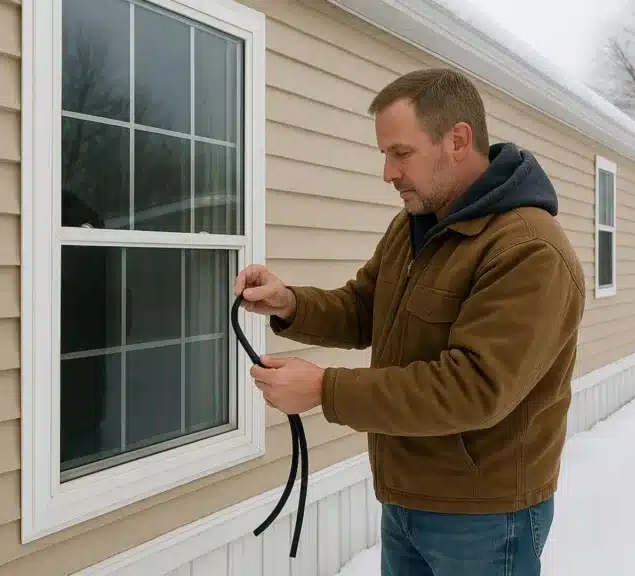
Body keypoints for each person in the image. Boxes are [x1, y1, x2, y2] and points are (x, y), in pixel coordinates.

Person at [234, 67, 586, 576]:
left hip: (484, 516)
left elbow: (475, 387)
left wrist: (325, 390)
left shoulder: (528, 248)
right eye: (385, 155)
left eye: (401, 153)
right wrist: (289, 303)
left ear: (457, 140)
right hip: (407, 494)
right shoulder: (414, 226)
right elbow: (363, 309)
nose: (389, 173)